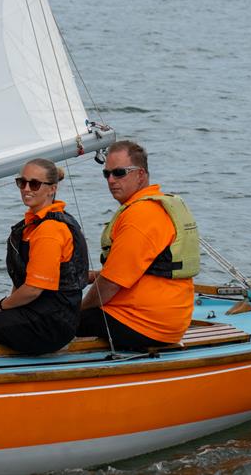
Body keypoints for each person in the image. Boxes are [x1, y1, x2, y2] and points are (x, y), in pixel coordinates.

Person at [77, 140, 200, 351]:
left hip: (140, 325)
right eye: (106, 174)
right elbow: (137, 269)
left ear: (141, 174)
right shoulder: (155, 205)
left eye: (119, 172)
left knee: (52, 321)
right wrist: (87, 276)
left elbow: (110, 285)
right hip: (169, 323)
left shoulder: (140, 216)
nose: (111, 180)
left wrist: (79, 310)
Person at [0, 158, 88, 354]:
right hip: (41, 315)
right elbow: (23, 280)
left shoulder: (50, 230)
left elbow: (32, 290)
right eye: (22, 182)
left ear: (52, 189)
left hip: (50, 325)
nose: (26, 189)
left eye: (35, 184)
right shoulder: (33, 225)